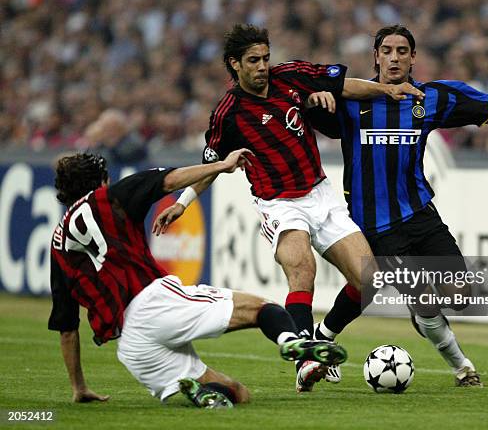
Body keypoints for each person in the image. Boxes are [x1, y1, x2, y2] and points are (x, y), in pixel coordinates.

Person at [305, 24, 488, 387]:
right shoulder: (351, 100)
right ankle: (462, 368)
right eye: (387, 50)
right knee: (414, 295)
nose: (394, 57)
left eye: (402, 51)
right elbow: (302, 107)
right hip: (375, 225)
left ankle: (330, 333)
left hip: (420, 214)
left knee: (460, 295)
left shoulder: (431, 98)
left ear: (413, 58)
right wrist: (316, 100)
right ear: (375, 57)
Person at [153, 24, 425, 393]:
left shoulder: (293, 76)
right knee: (302, 268)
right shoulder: (228, 115)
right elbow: (212, 166)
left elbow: (344, 86)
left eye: (265, 58)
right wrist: (183, 203)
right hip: (279, 203)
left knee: (369, 281)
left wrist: (388, 89)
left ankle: (322, 337)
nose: (263, 66)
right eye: (253, 61)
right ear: (234, 64)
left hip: (321, 194)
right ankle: (305, 359)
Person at [48, 151, 347, 409]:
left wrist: (79, 387)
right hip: (154, 302)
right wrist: (221, 165)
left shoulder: (59, 242)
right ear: (101, 181)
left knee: (235, 394)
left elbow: (67, 327)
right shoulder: (110, 197)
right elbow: (170, 180)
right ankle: (291, 341)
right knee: (263, 309)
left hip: (131, 345)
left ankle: (198, 392)